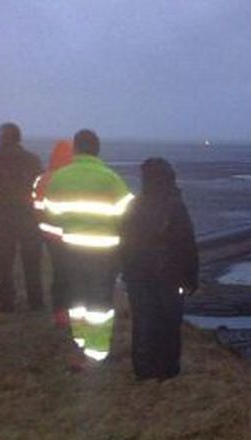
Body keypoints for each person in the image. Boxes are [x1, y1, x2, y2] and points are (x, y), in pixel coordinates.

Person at [43, 129, 133, 362]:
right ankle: (98, 351)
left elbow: (51, 215)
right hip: (104, 252)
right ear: (97, 149)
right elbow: (128, 215)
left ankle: (81, 339)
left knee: (77, 297)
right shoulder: (111, 178)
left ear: (76, 149)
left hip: (71, 250)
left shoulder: (59, 178)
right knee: (100, 300)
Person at [121, 158, 198, 380]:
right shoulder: (175, 205)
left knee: (143, 321)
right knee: (169, 322)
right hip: (170, 275)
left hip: (138, 274)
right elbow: (187, 243)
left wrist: (126, 271)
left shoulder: (134, 205)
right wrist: (191, 277)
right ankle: (168, 370)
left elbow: (124, 242)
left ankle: (144, 370)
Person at [0, 122, 44, 312]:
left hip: (1, 219)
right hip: (28, 217)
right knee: (32, 263)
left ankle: (7, 302)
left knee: (3, 264)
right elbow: (39, 188)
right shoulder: (33, 159)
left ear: (2, 138)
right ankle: (36, 301)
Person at [33, 140, 74, 326]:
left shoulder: (42, 179)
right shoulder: (74, 179)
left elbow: (35, 207)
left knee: (59, 273)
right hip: (72, 234)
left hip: (49, 235)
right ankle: (72, 312)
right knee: (74, 273)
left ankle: (60, 314)